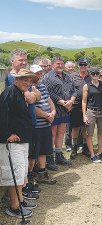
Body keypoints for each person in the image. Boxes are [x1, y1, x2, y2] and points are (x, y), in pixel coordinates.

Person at [0, 69, 39, 218]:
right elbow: (1, 114)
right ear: (16, 79)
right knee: (15, 175)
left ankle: (21, 200)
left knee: (20, 174)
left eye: (30, 81)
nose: (28, 83)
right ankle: (14, 207)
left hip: (22, 140)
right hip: (12, 143)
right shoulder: (9, 92)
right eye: (25, 79)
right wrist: (7, 135)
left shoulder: (20, 93)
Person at [42, 55, 77, 166]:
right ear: (52, 65)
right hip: (55, 110)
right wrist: (63, 103)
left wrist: (71, 101)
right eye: (58, 63)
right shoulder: (48, 77)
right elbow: (49, 93)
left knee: (61, 133)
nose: (60, 65)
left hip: (66, 110)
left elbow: (74, 90)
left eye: (62, 63)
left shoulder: (67, 76)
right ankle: (50, 157)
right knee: (52, 133)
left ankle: (59, 155)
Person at [29, 65, 57, 185]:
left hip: (46, 125)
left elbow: (49, 101)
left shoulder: (44, 87)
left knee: (43, 151)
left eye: (41, 73)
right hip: (35, 127)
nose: (39, 76)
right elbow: (32, 108)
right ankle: (30, 178)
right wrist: (47, 115)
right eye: (37, 74)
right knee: (33, 154)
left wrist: (53, 113)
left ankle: (42, 174)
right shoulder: (29, 89)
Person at [82, 67, 102, 163]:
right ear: (90, 74)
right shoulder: (86, 86)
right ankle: (92, 155)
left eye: (97, 73)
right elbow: (84, 101)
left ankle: (100, 152)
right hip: (91, 111)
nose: (95, 75)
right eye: (93, 73)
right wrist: (84, 115)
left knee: (101, 133)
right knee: (90, 134)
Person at [69, 57, 91, 159]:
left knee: (85, 126)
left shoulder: (91, 76)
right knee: (75, 127)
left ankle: (86, 147)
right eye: (81, 65)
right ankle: (74, 148)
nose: (83, 66)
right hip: (76, 105)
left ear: (87, 66)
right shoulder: (72, 76)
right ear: (78, 66)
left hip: (88, 105)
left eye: (85, 65)